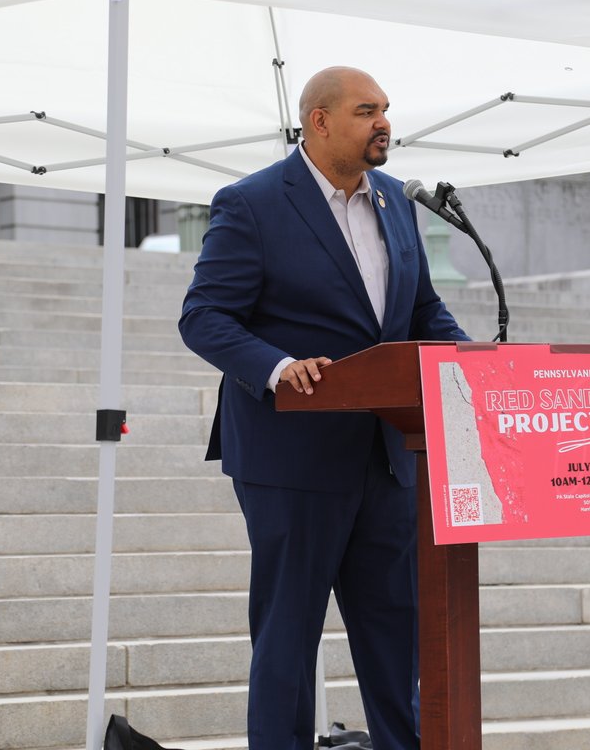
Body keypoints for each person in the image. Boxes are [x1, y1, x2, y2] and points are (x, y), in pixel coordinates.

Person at [179, 66, 469, 750]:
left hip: (388, 454)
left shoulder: (396, 200)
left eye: (386, 109)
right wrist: (278, 368)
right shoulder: (252, 203)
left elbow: (422, 309)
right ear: (320, 121)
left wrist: (471, 360)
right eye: (367, 110)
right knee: (287, 637)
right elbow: (204, 317)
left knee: (397, 637)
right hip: (292, 459)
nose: (384, 123)